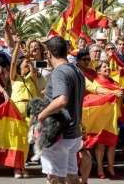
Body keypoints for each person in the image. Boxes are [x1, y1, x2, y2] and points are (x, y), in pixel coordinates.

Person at [37, 36, 85, 184]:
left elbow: (62, 100)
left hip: (60, 135)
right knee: (72, 176)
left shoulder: (59, 72)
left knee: (54, 178)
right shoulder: (76, 70)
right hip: (72, 133)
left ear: (49, 53)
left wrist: (41, 115)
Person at [88, 60, 124, 179]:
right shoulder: (95, 82)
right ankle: (100, 168)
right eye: (104, 67)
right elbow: (97, 95)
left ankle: (111, 167)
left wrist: (122, 94)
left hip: (112, 117)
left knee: (112, 143)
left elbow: (120, 97)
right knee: (101, 144)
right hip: (101, 117)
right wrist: (114, 93)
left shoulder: (114, 81)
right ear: (98, 70)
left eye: (108, 66)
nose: (107, 68)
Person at [10, 39, 39, 178]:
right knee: (17, 139)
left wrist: (29, 60)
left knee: (26, 140)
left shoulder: (32, 77)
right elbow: (13, 62)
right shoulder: (14, 77)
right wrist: (16, 46)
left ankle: (22, 165)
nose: (27, 64)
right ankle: (16, 167)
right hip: (16, 108)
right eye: (25, 63)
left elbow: (33, 69)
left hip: (29, 109)